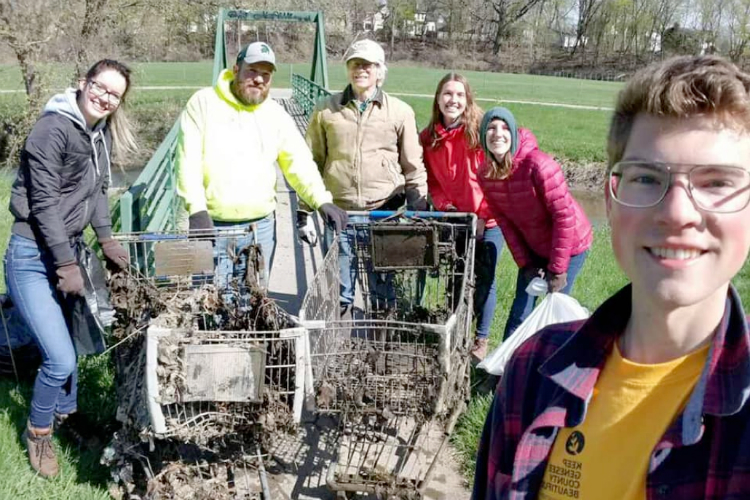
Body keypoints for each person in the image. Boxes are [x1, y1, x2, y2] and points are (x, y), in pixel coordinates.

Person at [473, 55, 750, 500]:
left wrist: (558, 266)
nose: (677, 213)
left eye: (717, 182)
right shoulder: (531, 374)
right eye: (646, 177)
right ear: (612, 200)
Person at [5, 59, 136, 477]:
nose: (105, 97)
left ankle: (68, 417)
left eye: (114, 94)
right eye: (100, 87)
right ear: (82, 83)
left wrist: (107, 238)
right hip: (32, 257)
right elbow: (42, 204)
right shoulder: (52, 128)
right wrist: (64, 262)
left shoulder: (98, 134)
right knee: (59, 359)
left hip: (69, 252)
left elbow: (98, 191)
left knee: (74, 342)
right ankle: (38, 433)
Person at [175, 41, 347, 291]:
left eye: (265, 74)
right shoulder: (203, 103)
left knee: (253, 304)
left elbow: (298, 162)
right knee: (208, 303)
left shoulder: (275, 115)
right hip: (212, 226)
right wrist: (196, 210)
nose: (258, 79)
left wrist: (321, 200)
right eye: (251, 71)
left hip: (260, 229)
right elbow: (187, 161)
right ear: (236, 70)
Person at [303, 39, 428, 318]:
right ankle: (342, 327)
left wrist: (418, 203)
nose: (361, 69)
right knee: (340, 278)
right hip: (339, 211)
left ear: (380, 71)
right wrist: (304, 211)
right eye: (355, 63)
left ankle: (382, 329)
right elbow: (311, 161)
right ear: (348, 68)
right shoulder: (326, 109)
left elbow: (413, 164)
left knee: (382, 278)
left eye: (368, 65)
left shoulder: (400, 111)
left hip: (383, 211)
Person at [478, 107, 592, 340]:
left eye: (504, 128)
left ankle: (548, 368)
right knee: (521, 309)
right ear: (483, 137)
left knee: (553, 309)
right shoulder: (486, 174)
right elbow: (504, 222)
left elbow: (564, 217)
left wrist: (558, 270)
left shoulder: (539, 165)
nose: (497, 134)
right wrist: (526, 264)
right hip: (535, 248)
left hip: (570, 245)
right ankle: (506, 369)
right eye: (490, 128)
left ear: (513, 134)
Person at [419, 73, 501, 362]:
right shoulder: (429, 138)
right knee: (456, 275)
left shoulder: (480, 132)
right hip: (455, 219)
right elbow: (430, 180)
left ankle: (481, 338)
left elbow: (496, 175)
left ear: (468, 99)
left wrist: (483, 215)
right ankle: (457, 329)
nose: (453, 100)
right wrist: (444, 206)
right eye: (447, 94)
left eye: (459, 95)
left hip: (488, 220)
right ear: (438, 98)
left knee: (485, 278)